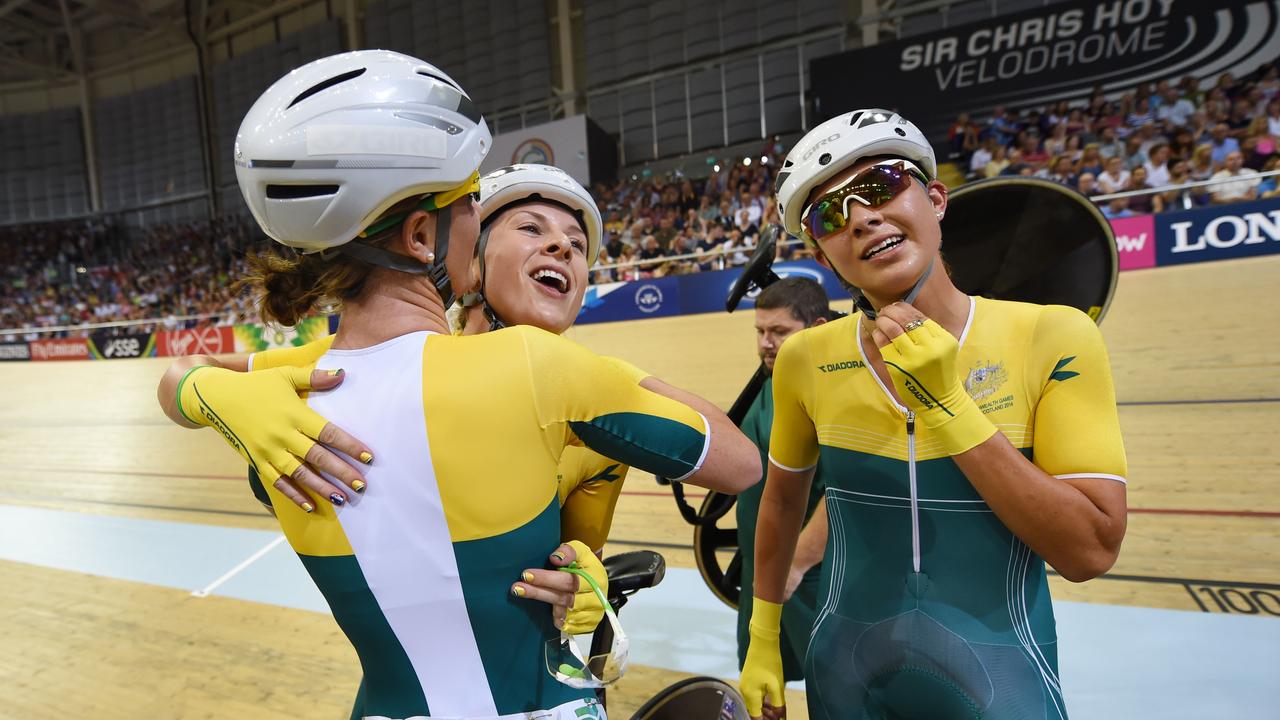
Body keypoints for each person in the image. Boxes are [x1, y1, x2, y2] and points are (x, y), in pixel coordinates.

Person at [158, 50, 761, 720]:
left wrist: (202, 394)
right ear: (423, 235)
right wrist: (618, 378)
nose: (563, 249)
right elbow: (740, 464)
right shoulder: (552, 371)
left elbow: (177, 380)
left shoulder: (298, 381)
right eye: (482, 207)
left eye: (576, 244)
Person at [742, 109, 1128, 720]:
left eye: (881, 185)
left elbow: (1090, 552)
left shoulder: (1054, 335)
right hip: (843, 675)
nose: (863, 218)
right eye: (831, 214)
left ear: (938, 198)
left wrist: (950, 407)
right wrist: (763, 634)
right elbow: (783, 503)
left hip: (1002, 681)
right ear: (821, 250)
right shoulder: (805, 359)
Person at [735, 277, 831, 688]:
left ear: (817, 327)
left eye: (779, 332)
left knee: (833, 689)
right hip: (764, 570)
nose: (765, 343)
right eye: (760, 331)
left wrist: (797, 564)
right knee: (761, 686)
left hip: (808, 575)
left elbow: (844, 492)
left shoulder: (830, 388)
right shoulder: (773, 380)